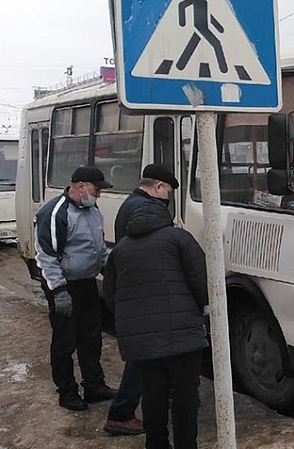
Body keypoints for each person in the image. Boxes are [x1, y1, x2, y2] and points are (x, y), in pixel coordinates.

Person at [103, 174, 208, 449]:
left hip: (142, 341)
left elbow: (111, 294)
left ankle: (156, 444)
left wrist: (132, 323)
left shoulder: (120, 249)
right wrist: (196, 311)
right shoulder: (179, 238)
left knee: (153, 394)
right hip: (184, 338)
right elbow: (203, 282)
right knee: (185, 396)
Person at [103, 164, 179, 437]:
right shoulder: (144, 209)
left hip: (134, 291)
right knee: (143, 357)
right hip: (142, 293)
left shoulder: (131, 204)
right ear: (158, 187)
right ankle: (120, 414)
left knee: (150, 354)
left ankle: (154, 397)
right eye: (168, 191)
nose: (168, 197)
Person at [34, 165, 118, 411]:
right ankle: (67, 392)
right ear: (80, 186)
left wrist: (108, 269)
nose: (99, 194)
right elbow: (46, 256)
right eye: (96, 189)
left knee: (91, 337)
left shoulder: (92, 210)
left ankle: (93, 385)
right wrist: (59, 291)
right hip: (64, 287)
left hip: (87, 284)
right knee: (64, 342)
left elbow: (98, 246)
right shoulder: (54, 213)